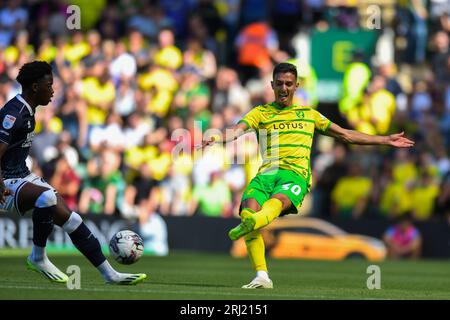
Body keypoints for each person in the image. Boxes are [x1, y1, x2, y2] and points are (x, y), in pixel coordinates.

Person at [201, 62, 415, 289]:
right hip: (266, 174)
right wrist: (217, 137)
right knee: (248, 208)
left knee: (277, 202)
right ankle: (262, 275)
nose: (284, 88)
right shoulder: (260, 113)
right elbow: (236, 130)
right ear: (272, 84)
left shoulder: (309, 115)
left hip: (295, 175)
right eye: (279, 84)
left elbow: (345, 135)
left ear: (296, 86)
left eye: (289, 84)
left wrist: (384, 139)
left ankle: (250, 224)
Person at [0, 61, 146, 285]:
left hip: (21, 174)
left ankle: (110, 275)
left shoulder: (28, 110)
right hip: (5, 180)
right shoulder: (13, 114)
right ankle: (38, 257)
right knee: (46, 197)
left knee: (72, 219)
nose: (53, 90)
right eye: (49, 85)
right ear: (35, 87)